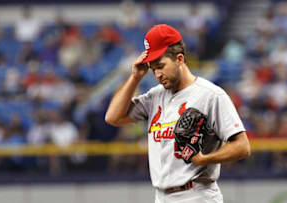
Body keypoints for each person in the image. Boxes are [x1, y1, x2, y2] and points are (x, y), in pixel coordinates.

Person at [105, 24, 251, 203]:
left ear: (179, 59)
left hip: (196, 193)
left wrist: (205, 159)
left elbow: (242, 146)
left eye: (161, 66)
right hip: (161, 196)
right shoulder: (155, 97)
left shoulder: (210, 95)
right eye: (153, 69)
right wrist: (135, 77)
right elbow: (113, 117)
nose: (157, 74)